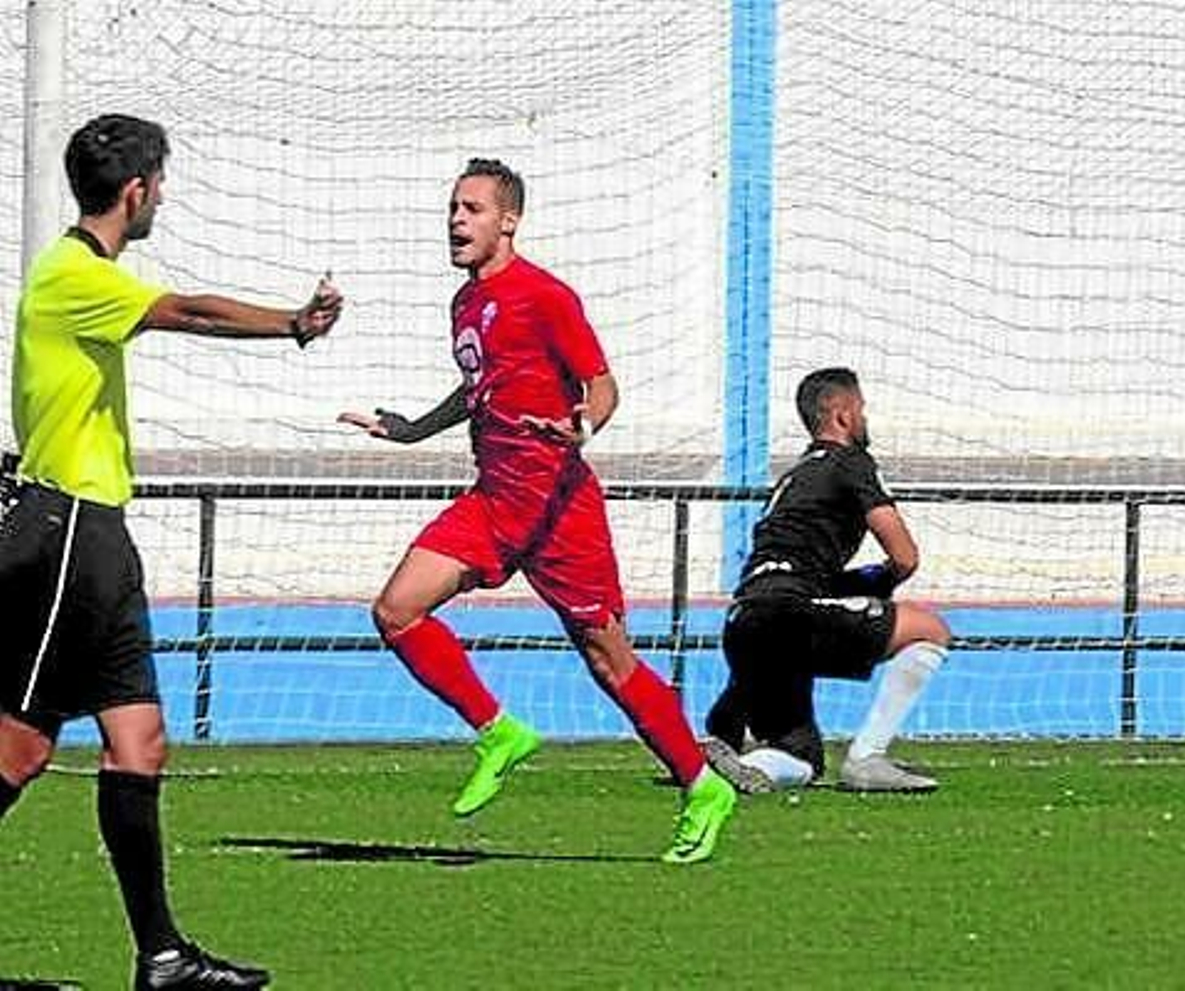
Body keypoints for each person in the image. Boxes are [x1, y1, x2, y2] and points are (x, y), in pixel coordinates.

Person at [0, 114, 342, 990]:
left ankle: (161, 957)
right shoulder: (73, 273)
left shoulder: (86, 277)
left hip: (98, 537)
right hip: (63, 531)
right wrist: (293, 324)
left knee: (140, 741)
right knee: (19, 750)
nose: (165, 194)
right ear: (138, 189)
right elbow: (186, 310)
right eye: (163, 180)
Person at [338, 158, 735, 864]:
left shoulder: (545, 295)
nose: (457, 221)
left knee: (610, 662)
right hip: (494, 497)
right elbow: (477, 389)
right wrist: (411, 429)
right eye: (454, 208)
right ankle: (499, 730)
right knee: (396, 609)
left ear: (509, 220)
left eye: (473, 209)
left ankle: (703, 785)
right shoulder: (465, 302)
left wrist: (583, 427)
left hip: (558, 507)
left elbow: (602, 383)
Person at [703, 367, 953, 794]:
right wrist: (879, 581)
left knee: (802, 756)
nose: (864, 418)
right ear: (841, 414)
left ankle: (732, 764)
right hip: (789, 616)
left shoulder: (795, 475)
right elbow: (905, 557)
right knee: (930, 629)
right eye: (861, 409)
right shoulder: (851, 463)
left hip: (743, 620)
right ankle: (867, 759)